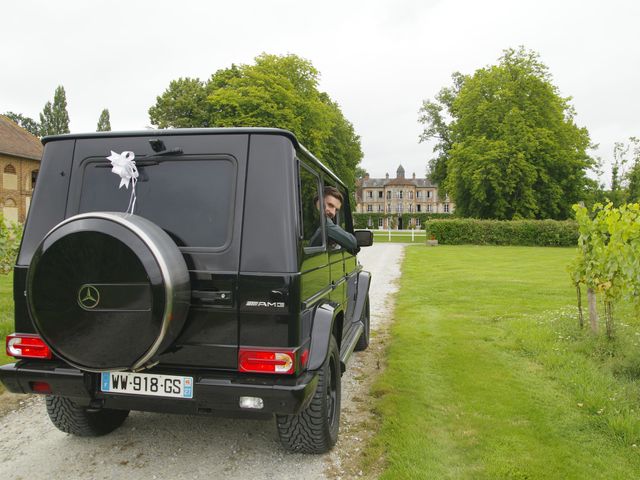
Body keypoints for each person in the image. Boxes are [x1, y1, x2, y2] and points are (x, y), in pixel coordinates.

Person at [309, 186, 357, 252]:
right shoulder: (325, 225)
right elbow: (352, 242)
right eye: (330, 205)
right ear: (319, 201)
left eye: (336, 210)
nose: (333, 213)